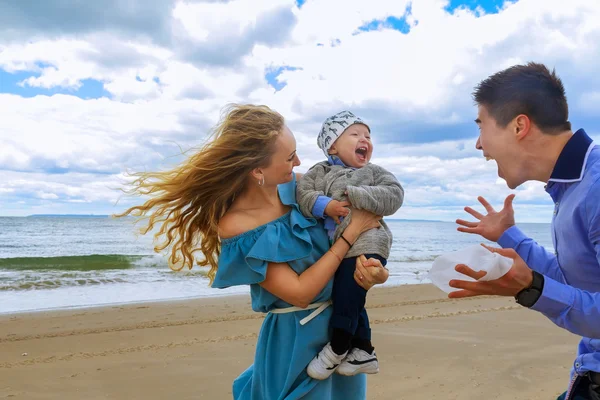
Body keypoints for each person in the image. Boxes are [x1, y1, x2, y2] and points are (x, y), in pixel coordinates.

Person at [116, 104, 390, 399]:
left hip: (342, 333)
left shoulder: (304, 189)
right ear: (257, 169)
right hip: (296, 340)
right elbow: (300, 292)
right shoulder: (237, 225)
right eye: (289, 157)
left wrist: (373, 272)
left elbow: (359, 241)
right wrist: (350, 235)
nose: (299, 162)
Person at [450, 62, 600, 400]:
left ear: (519, 125)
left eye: (481, 127)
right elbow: (579, 280)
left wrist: (532, 288)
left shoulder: (596, 186)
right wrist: (510, 236)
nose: (479, 145)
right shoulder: (571, 186)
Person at [296, 110, 404, 379]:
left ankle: (338, 346)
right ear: (332, 145)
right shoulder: (318, 171)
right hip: (339, 246)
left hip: (369, 239)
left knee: (347, 295)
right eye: (355, 134)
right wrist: (326, 205)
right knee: (350, 297)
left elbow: (395, 195)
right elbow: (303, 195)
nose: (364, 139)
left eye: (367, 135)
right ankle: (364, 351)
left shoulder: (374, 172)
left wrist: (356, 194)